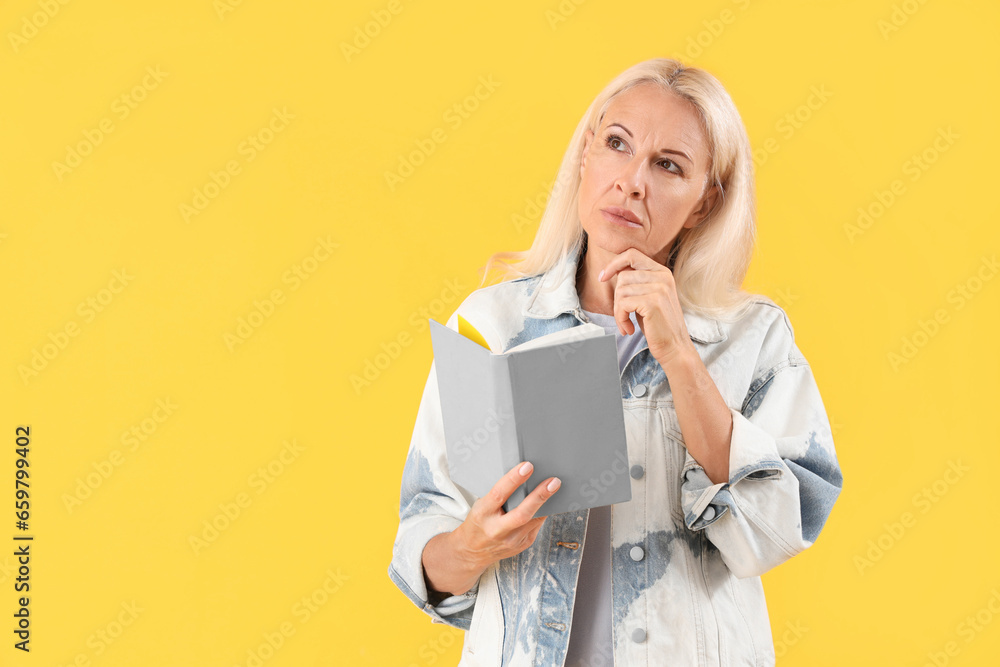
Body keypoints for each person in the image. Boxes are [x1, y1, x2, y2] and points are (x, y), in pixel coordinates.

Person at [387, 57, 843, 666]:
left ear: (704, 203)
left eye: (668, 165)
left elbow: (777, 529)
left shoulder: (753, 338)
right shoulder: (492, 325)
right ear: (585, 156)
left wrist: (678, 352)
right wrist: (472, 547)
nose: (631, 181)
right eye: (617, 144)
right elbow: (425, 542)